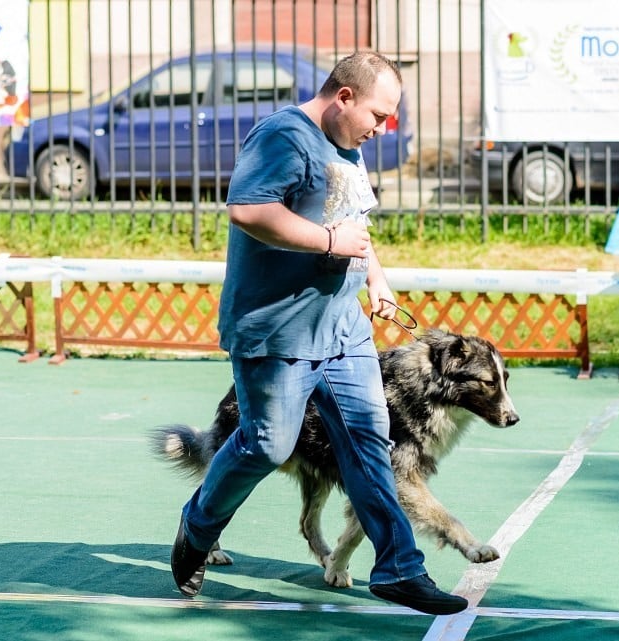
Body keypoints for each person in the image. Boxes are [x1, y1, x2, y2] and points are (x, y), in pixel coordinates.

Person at [169, 51, 468, 616]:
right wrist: (330, 245)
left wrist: (375, 279)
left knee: (369, 444)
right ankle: (197, 526)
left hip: (344, 332)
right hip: (276, 332)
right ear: (344, 97)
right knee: (267, 444)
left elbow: (356, 224)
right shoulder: (283, 136)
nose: (383, 129)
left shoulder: (348, 146)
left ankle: (400, 569)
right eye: (378, 115)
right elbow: (248, 209)